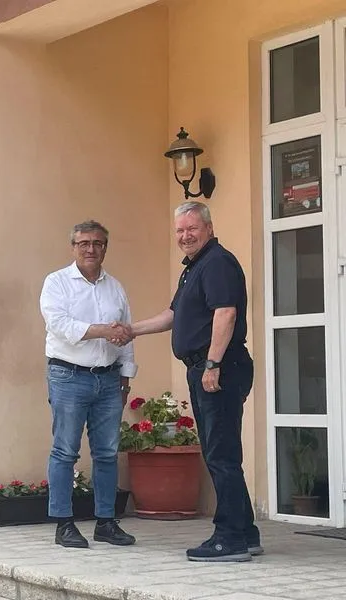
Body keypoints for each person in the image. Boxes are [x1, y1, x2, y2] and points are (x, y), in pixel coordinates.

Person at [126, 201, 261, 562]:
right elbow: (173, 315)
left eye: (192, 229)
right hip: (205, 367)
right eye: (180, 230)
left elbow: (226, 313)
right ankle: (246, 532)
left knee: (221, 454)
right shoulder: (194, 268)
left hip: (219, 367)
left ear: (209, 229)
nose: (185, 236)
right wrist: (130, 330)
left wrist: (212, 365)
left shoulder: (217, 263)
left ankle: (229, 538)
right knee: (221, 452)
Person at [39, 220, 137, 549]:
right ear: (73, 247)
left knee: (107, 452)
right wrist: (104, 330)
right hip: (68, 376)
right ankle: (63, 524)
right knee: (65, 450)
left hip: (109, 379)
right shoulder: (56, 283)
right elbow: (61, 325)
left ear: (105, 248)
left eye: (97, 243)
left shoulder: (115, 287)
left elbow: (126, 335)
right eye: (83, 243)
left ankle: (106, 522)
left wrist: (125, 378)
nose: (90, 249)